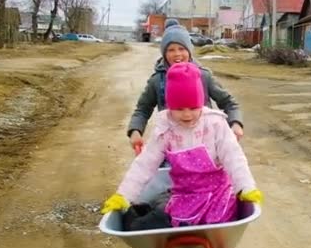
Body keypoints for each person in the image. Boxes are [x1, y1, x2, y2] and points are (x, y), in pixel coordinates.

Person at [103, 62, 261, 226]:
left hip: (217, 194)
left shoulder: (214, 123)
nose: (187, 114)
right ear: (170, 106)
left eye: (193, 107)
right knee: (173, 223)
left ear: (201, 103)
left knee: (216, 221)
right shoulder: (165, 129)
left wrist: (246, 187)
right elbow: (145, 163)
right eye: (179, 108)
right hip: (186, 195)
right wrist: (124, 195)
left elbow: (233, 156)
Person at [128, 19, 245, 151]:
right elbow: (143, 109)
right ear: (164, 53)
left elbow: (229, 102)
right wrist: (135, 131)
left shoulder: (203, 76)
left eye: (182, 48)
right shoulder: (157, 80)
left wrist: (236, 123)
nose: (177, 54)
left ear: (189, 51)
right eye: (171, 50)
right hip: (172, 147)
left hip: (206, 146)